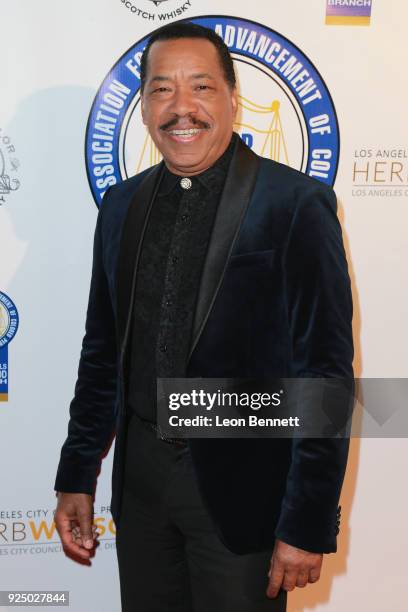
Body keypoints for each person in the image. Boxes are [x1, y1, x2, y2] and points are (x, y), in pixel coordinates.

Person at [54, 22, 354, 612]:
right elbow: (102, 351)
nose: (181, 107)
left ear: (233, 98)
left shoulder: (296, 205)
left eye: (201, 87)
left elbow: (324, 377)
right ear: (143, 107)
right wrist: (77, 473)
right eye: (162, 90)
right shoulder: (121, 205)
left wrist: (306, 522)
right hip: (141, 490)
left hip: (242, 495)